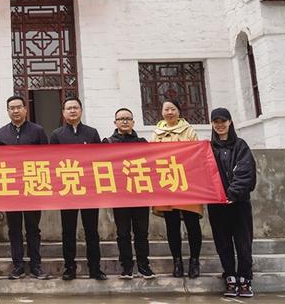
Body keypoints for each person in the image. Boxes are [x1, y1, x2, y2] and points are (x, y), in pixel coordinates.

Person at [49, 97, 107, 281]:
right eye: (69, 108)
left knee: (92, 231)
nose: (72, 111)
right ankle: (69, 268)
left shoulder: (91, 133)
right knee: (68, 231)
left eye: (75, 107)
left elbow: (99, 159)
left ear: (81, 110)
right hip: (67, 189)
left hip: (89, 189)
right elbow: (51, 162)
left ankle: (95, 268)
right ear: (63, 113)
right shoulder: (56, 135)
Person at [0, 95, 50, 280]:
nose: (16, 111)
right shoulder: (2, 133)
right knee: (14, 229)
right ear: (7, 111)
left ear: (25, 109)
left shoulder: (38, 131)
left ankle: (36, 266)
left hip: (33, 186)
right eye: (12, 108)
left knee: (33, 228)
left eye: (19, 107)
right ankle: (18, 265)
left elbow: (47, 157)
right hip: (11, 188)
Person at [151, 98, 203, 278]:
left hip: (188, 184)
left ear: (179, 111)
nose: (169, 112)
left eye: (173, 109)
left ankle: (194, 261)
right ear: (161, 112)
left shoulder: (189, 130)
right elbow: (152, 157)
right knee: (171, 225)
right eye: (166, 109)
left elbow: (196, 155)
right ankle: (177, 262)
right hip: (167, 183)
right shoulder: (156, 133)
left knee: (192, 223)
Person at [208, 107, 257, 298]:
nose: (220, 125)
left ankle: (245, 278)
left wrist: (232, 194)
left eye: (223, 121)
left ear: (230, 122)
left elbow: (246, 172)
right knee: (223, 243)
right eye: (216, 122)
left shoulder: (240, 145)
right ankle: (229, 276)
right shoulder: (207, 149)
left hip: (239, 203)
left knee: (243, 242)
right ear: (212, 124)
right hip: (217, 205)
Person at [102, 108, 155, 280]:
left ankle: (144, 265)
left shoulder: (142, 143)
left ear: (133, 122)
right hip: (120, 196)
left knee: (142, 232)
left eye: (128, 118)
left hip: (140, 194)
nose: (124, 121)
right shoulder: (108, 143)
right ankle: (126, 266)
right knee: (123, 233)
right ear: (115, 122)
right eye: (121, 119)